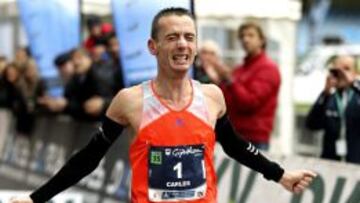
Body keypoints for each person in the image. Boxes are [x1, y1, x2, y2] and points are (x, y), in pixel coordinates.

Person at [10, 8, 315, 203]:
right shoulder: (130, 101)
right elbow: (88, 158)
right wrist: (37, 199)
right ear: (152, 47)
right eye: (172, 37)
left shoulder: (212, 97)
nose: (183, 44)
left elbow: (235, 146)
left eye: (189, 37)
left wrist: (280, 174)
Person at [201, 22, 281, 150]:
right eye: (242, 36)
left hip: (254, 138)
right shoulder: (240, 69)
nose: (245, 39)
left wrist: (229, 80)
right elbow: (224, 101)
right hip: (234, 135)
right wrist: (218, 81)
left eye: (251, 35)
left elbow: (249, 103)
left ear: (262, 40)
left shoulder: (268, 68)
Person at [306, 55, 360, 164]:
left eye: (347, 69)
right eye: (337, 71)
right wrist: (325, 93)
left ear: (355, 74)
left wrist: (354, 83)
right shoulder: (328, 98)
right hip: (330, 162)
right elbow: (312, 124)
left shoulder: (357, 97)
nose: (342, 74)